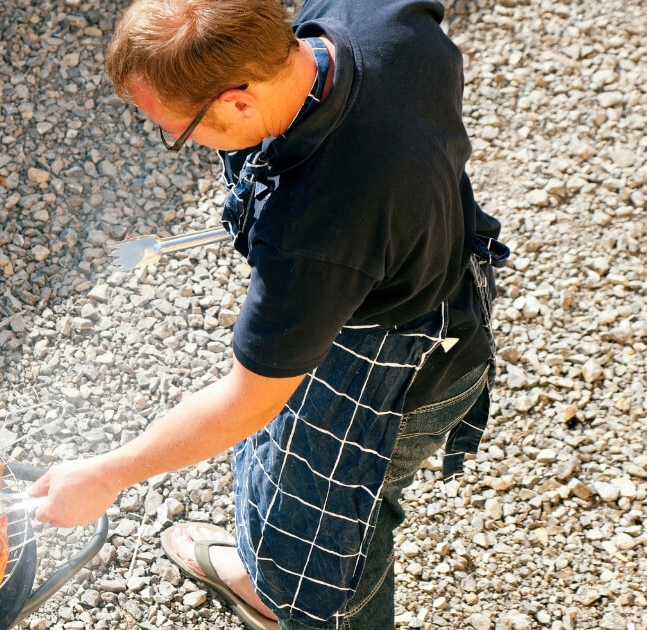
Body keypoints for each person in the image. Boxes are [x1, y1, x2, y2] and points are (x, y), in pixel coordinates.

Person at [27, 0, 508, 628]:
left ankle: (305, 608)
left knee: (342, 541)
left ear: (239, 102)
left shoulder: (311, 232)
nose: (183, 142)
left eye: (179, 130)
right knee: (279, 478)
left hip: (401, 377)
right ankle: (262, 580)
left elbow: (247, 401)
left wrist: (107, 473)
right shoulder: (372, 17)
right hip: (427, 267)